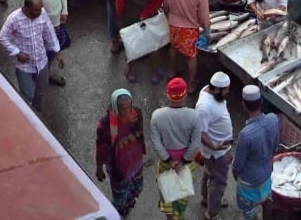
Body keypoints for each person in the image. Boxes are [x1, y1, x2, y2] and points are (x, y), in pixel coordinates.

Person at [150, 78, 202, 220]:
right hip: (186, 164)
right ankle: (179, 216)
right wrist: (183, 161)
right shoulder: (194, 116)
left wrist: (168, 159)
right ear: (185, 95)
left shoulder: (157, 116)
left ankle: (170, 217)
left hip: (166, 163)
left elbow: (156, 141)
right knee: (181, 194)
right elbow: (196, 143)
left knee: (167, 192)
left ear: (168, 95)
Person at [0, 0, 58, 111]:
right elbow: (2, 37)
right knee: (28, 94)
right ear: (26, 8)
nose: (40, 12)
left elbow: (49, 31)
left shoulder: (42, 14)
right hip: (24, 66)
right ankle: (26, 113)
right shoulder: (14, 19)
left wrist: (57, 51)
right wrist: (17, 52)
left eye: (41, 9)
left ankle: (37, 113)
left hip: (41, 62)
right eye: (37, 10)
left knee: (41, 92)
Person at [96, 89, 148, 218]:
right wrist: (99, 168)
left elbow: (139, 135)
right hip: (118, 168)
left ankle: (128, 204)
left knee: (138, 188)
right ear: (115, 107)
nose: (126, 111)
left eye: (128, 107)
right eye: (122, 108)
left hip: (135, 163)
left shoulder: (136, 114)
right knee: (120, 197)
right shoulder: (106, 124)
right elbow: (101, 148)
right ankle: (118, 212)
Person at [117, 0, 166, 83]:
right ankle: (155, 73)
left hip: (129, 13)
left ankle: (132, 72)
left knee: (130, 42)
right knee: (153, 43)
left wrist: (120, 15)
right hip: (149, 14)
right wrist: (147, 13)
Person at [233, 84, 281, 220]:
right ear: (261, 102)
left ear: (244, 105)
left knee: (249, 212)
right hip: (266, 174)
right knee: (267, 200)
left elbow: (238, 164)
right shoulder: (273, 119)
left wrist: (235, 174)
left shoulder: (245, 135)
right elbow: (276, 145)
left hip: (249, 183)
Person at [22, 0, 69, 86]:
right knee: (41, 49)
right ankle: (39, 74)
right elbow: (26, 1)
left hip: (56, 18)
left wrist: (64, 10)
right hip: (40, 21)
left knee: (53, 47)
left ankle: (46, 72)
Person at [165, 0, 211, 84]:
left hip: (173, 25)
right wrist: (207, 30)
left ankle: (171, 71)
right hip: (189, 29)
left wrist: (169, 17)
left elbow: (166, 5)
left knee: (174, 47)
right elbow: (204, 17)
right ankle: (191, 83)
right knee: (191, 55)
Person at [197, 72, 236, 218]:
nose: (227, 92)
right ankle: (212, 213)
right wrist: (213, 145)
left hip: (217, 151)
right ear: (217, 89)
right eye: (225, 90)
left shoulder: (210, 92)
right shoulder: (204, 107)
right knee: (218, 182)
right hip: (216, 153)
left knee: (209, 173)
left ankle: (206, 199)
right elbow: (199, 132)